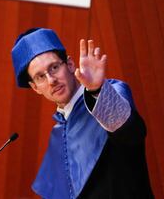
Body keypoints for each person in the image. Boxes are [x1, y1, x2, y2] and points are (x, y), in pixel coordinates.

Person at [11, 28, 154, 199]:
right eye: (40, 76)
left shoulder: (109, 93)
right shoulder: (59, 134)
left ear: (70, 65)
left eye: (54, 67)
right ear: (35, 87)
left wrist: (96, 90)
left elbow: (132, 133)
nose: (51, 80)